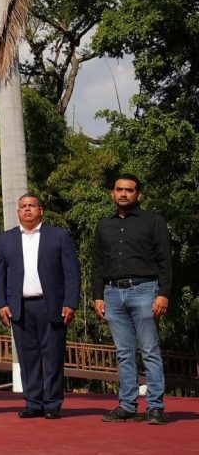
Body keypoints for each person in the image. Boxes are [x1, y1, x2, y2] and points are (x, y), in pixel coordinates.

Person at [93, 174, 172, 426]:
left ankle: (156, 407)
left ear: (139, 194)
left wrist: (164, 294)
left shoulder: (153, 221)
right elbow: (97, 264)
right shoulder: (104, 225)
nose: (123, 194)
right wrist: (97, 296)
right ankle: (127, 405)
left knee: (149, 350)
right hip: (112, 293)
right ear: (112, 193)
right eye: (119, 189)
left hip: (144, 290)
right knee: (124, 353)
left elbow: (165, 260)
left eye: (129, 190)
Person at [0, 194, 80, 419]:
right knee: (27, 358)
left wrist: (70, 302)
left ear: (41, 210)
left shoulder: (59, 236)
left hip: (52, 305)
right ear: (18, 212)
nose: (27, 210)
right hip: (20, 307)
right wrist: (1, 303)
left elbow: (72, 272)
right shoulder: (6, 239)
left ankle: (52, 404)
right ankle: (33, 402)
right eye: (23, 206)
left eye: (32, 206)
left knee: (52, 357)